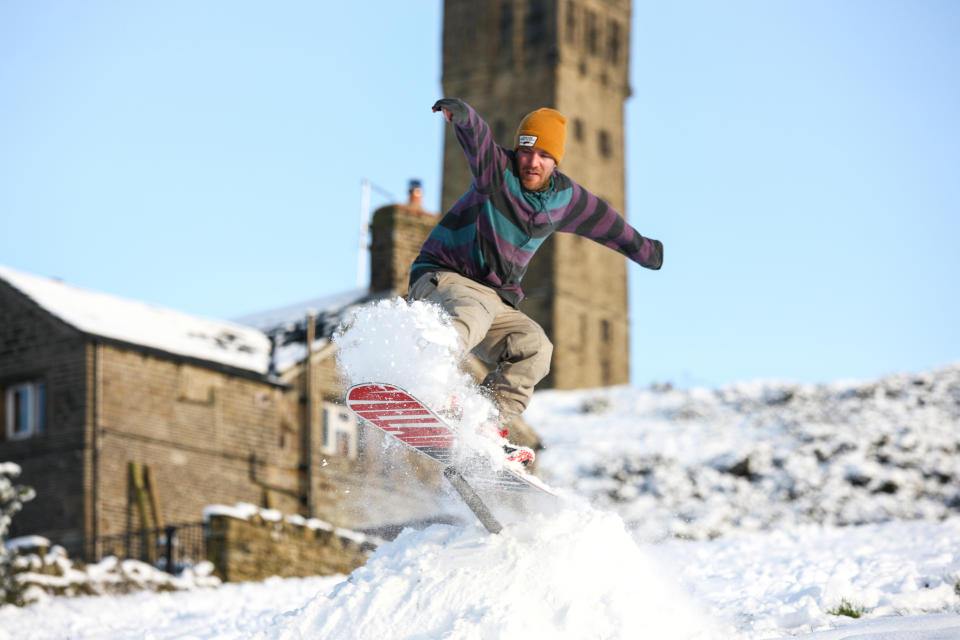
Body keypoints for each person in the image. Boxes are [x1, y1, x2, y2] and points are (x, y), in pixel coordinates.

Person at [408, 98, 664, 465]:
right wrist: (463, 116)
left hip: (495, 299)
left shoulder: (566, 197)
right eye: (527, 152)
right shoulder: (497, 170)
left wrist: (647, 251)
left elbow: (608, 224)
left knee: (535, 346)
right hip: (442, 277)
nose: (532, 162)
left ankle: (482, 420)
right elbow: (478, 139)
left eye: (544, 155)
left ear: (555, 160)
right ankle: (427, 381)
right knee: (472, 309)